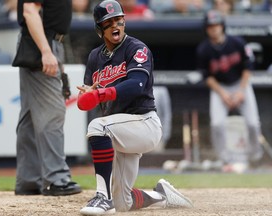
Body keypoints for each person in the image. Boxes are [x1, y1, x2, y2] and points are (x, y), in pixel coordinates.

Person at [77, 0, 193, 214]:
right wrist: (86, 96)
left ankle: (103, 197)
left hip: (143, 123)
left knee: (97, 127)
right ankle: (162, 196)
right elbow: (87, 97)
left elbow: (136, 85)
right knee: (124, 203)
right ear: (99, 29)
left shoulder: (136, 48)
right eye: (108, 22)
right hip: (119, 128)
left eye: (118, 20)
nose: (115, 26)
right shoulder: (95, 57)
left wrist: (102, 93)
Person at [14, 0, 82, 196]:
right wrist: (46, 51)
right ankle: (56, 178)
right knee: (52, 112)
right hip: (41, 43)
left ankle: (29, 180)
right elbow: (29, 11)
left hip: (46, 41)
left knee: (29, 117)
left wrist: (53, 52)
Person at [196, 10, 264, 169]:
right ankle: (224, 159)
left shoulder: (237, 42)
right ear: (207, 28)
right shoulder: (203, 49)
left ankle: (255, 156)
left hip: (241, 84)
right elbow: (207, 77)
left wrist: (241, 91)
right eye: (210, 26)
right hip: (220, 88)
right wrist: (223, 94)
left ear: (222, 26)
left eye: (217, 25)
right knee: (217, 124)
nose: (214, 28)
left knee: (253, 123)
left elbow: (248, 67)